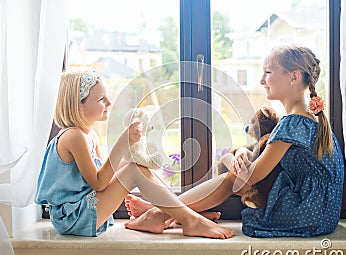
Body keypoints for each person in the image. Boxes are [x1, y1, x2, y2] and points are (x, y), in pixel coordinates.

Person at [125, 44, 345, 237]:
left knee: (233, 178)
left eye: (268, 72)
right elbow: (262, 162)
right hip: (321, 212)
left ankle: (159, 212)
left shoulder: (292, 123)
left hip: (306, 214)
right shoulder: (309, 118)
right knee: (236, 173)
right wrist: (242, 154)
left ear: (293, 77)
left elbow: (249, 178)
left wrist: (231, 158)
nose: (261, 80)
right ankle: (168, 212)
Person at [34, 69, 235, 239]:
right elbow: (99, 183)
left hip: (85, 208)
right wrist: (122, 145)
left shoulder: (89, 135)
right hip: (73, 217)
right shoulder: (73, 137)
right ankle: (189, 219)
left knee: (137, 166)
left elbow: (107, 172)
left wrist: (135, 155)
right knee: (133, 170)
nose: (109, 103)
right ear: (79, 106)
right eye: (101, 99)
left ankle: (171, 214)